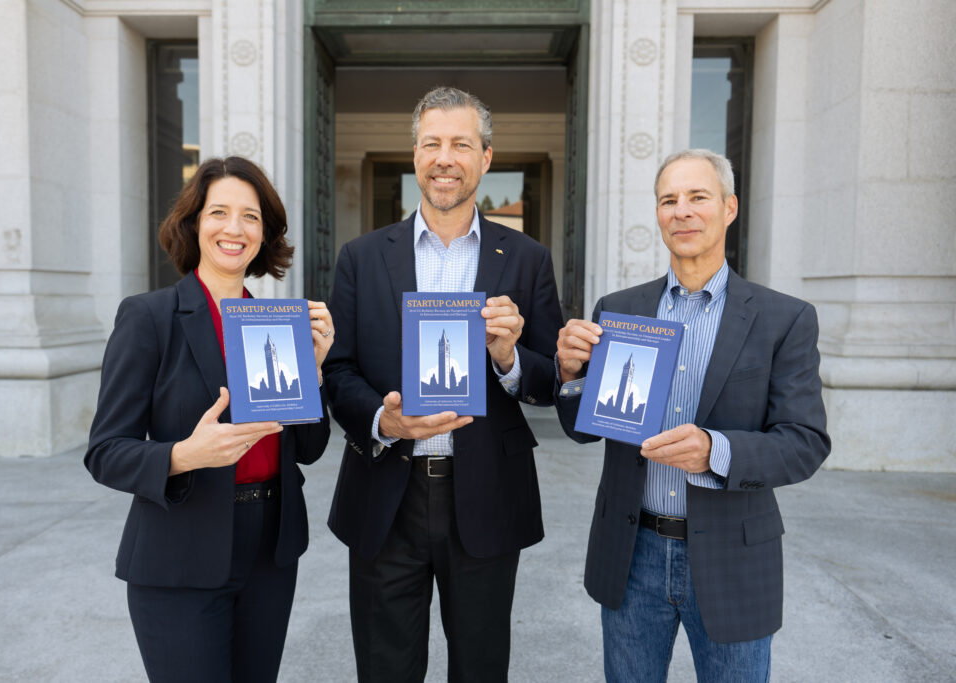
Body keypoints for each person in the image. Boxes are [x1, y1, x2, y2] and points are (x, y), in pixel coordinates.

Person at [554, 149, 831, 682]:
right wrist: (570, 380)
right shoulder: (619, 310)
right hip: (632, 554)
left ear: (728, 208)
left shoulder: (784, 318)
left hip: (733, 558)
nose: (682, 211)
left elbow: (805, 442)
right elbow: (585, 430)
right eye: (668, 200)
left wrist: (715, 451)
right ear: (657, 214)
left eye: (697, 197)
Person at [323, 86, 564, 681]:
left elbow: (552, 377)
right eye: (432, 143)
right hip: (386, 495)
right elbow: (338, 370)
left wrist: (508, 357)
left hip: (485, 493)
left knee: (481, 668)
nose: (444, 157)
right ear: (414, 155)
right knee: (385, 668)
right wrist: (385, 420)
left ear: (486, 157)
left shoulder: (528, 257)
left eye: (461, 143)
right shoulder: (360, 256)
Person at [84, 156, 333, 682]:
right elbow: (105, 451)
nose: (234, 228)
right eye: (219, 212)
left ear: (264, 235)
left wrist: (312, 370)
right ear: (195, 222)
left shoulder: (280, 325)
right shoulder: (148, 317)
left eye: (251, 216)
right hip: (180, 551)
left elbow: (308, 448)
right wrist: (182, 455)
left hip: (270, 550)